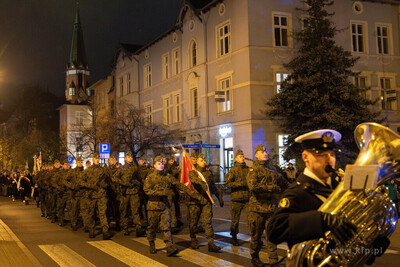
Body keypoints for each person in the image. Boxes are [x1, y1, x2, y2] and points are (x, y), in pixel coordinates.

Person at [246, 144, 281, 266]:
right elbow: (253, 187)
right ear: (256, 155)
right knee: (256, 236)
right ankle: (255, 257)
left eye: (265, 151)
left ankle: (273, 260)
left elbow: (282, 182)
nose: (264, 153)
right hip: (257, 209)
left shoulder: (272, 169)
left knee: (272, 236)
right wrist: (271, 188)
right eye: (261, 152)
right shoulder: (253, 170)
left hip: (271, 209)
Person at [143, 155, 183, 256]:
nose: (161, 165)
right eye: (158, 164)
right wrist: (162, 193)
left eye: (162, 163)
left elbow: (177, 184)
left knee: (166, 226)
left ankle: (169, 247)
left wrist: (188, 189)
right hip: (153, 207)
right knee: (152, 227)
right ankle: (152, 245)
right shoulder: (150, 177)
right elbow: (147, 190)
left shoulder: (167, 176)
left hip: (164, 206)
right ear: (154, 165)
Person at [187, 153, 221, 252]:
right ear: (197, 161)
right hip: (195, 200)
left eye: (204, 160)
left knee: (208, 221)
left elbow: (212, 186)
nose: (203, 162)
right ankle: (193, 239)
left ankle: (211, 242)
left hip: (206, 200)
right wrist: (200, 182)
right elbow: (193, 180)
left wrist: (218, 196)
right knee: (194, 222)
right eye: (201, 160)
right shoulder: (193, 172)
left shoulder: (208, 172)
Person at [225, 149, 250, 246]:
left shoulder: (247, 169)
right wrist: (241, 184)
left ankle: (255, 238)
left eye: (243, 156)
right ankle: (234, 237)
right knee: (235, 220)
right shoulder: (233, 170)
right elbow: (228, 183)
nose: (242, 158)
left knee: (251, 220)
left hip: (247, 199)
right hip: (236, 199)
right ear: (235, 158)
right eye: (240, 156)